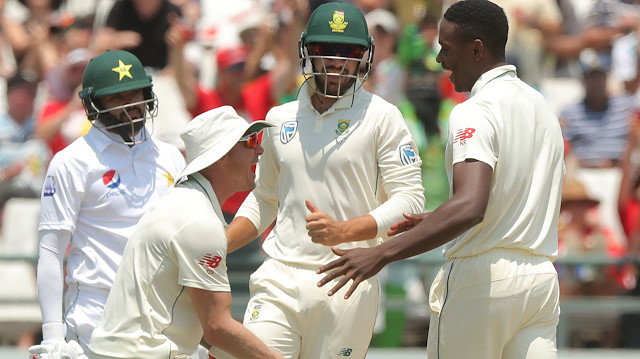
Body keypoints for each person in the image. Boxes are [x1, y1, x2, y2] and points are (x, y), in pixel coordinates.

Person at [317, 1, 565, 358]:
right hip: (540, 280)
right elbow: (508, 198)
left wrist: (380, 255)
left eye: (446, 49)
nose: (439, 61)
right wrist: (436, 217)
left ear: (476, 49)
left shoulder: (473, 111)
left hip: (483, 283)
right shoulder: (542, 107)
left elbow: (470, 207)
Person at [214, 2, 426, 358]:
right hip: (280, 275)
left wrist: (344, 231)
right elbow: (266, 198)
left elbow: (411, 201)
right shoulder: (279, 118)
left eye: (349, 52)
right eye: (325, 50)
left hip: (347, 279)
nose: (337, 61)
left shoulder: (383, 117)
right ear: (307, 51)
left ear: (365, 56)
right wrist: (215, 246)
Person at [88, 106, 282, 359]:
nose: (259, 150)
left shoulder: (186, 204)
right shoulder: (199, 220)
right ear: (221, 155)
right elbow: (216, 328)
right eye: (250, 142)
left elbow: (204, 326)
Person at [28, 49, 186, 358]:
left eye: (136, 94)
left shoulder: (170, 157)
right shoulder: (71, 162)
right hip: (95, 316)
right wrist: (52, 335)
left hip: (163, 312)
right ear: (93, 104)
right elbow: (51, 251)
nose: (132, 106)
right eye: (117, 98)